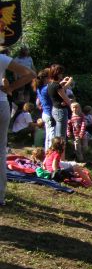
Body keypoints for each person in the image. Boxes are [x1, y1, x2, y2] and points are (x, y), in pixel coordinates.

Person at [0, 47, 36, 206]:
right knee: (1, 150)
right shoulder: (2, 58)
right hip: (1, 104)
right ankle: (0, 196)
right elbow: (31, 74)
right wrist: (11, 88)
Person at [47, 64, 72, 146]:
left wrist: (64, 82)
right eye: (61, 73)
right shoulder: (57, 86)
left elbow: (60, 89)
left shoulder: (50, 84)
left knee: (57, 135)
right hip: (61, 111)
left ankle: (56, 154)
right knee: (61, 138)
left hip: (55, 110)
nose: (62, 74)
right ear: (57, 74)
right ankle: (61, 157)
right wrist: (73, 106)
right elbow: (66, 99)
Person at [33, 69, 54, 150]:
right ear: (46, 78)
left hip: (45, 113)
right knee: (52, 136)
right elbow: (58, 90)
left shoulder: (39, 88)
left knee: (48, 136)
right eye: (50, 77)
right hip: (49, 114)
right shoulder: (46, 88)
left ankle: (47, 153)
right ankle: (51, 155)